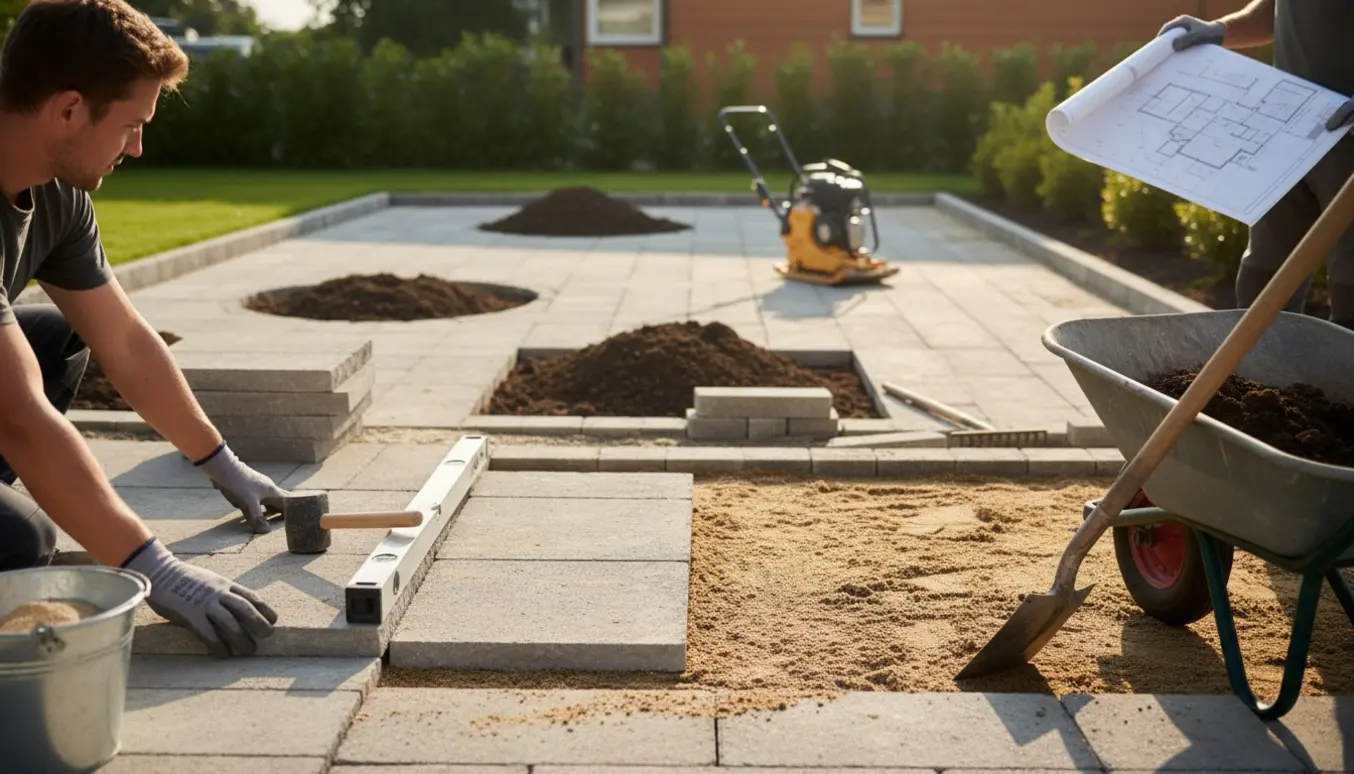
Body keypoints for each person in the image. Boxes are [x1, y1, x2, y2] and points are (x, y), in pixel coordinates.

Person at [0, 0, 287, 656]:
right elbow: (18, 416)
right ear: (68, 109)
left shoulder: (60, 195)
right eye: (131, 124)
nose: (138, 146)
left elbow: (125, 341)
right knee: (21, 540)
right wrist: (154, 569)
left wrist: (220, 461)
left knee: (53, 340)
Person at [1158, 1, 1354, 327]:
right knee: (1262, 282)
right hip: (1290, 134)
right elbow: (1275, 11)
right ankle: (1266, 374)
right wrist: (1220, 30)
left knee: (1351, 293)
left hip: (1349, 143)